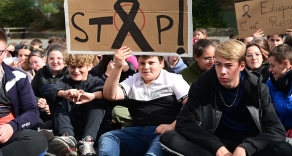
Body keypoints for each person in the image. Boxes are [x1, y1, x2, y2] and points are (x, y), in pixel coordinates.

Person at [160, 39, 292, 156]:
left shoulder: (257, 88)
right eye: (218, 64)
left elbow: (276, 130)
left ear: (241, 66)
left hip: (248, 145)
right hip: (213, 144)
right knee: (169, 137)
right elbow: (185, 122)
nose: (222, 71)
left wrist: (247, 147)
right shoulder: (203, 84)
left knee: (284, 149)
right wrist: (216, 146)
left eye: (229, 65)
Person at [98, 46, 190, 156]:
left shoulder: (174, 79)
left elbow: (190, 106)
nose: (146, 67)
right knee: (108, 137)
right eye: (142, 63)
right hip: (136, 132)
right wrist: (118, 67)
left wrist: (172, 126)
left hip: (164, 133)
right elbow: (110, 95)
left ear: (161, 63)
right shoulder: (133, 80)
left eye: (151, 63)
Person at [0, 29, 48, 156]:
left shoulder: (18, 77)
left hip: (7, 131)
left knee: (37, 139)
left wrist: (12, 126)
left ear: (5, 53)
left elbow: (32, 111)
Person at [41, 54, 106, 156]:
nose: (76, 71)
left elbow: (105, 92)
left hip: (90, 126)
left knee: (99, 100)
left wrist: (92, 96)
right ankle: (66, 138)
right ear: (68, 67)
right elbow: (45, 89)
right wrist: (63, 93)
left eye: (80, 67)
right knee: (56, 96)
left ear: (89, 67)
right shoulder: (63, 82)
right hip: (68, 124)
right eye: (73, 67)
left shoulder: (96, 81)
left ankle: (87, 142)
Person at [31, 44, 69, 130]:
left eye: (59, 58)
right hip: (41, 113)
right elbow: (31, 93)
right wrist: (38, 100)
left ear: (65, 60)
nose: (55, 61)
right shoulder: (41, 73)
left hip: (62, 115)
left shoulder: (69, 74)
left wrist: (52, 108)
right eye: (51, 58)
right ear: (47, 59)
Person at [266, 44, 292, 131]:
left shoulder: (274, 85)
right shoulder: (272, 81)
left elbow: (286, 108)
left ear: (285, 64)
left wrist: (276, 93)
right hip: (281, 129)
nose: (270, 69)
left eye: (272, 66)